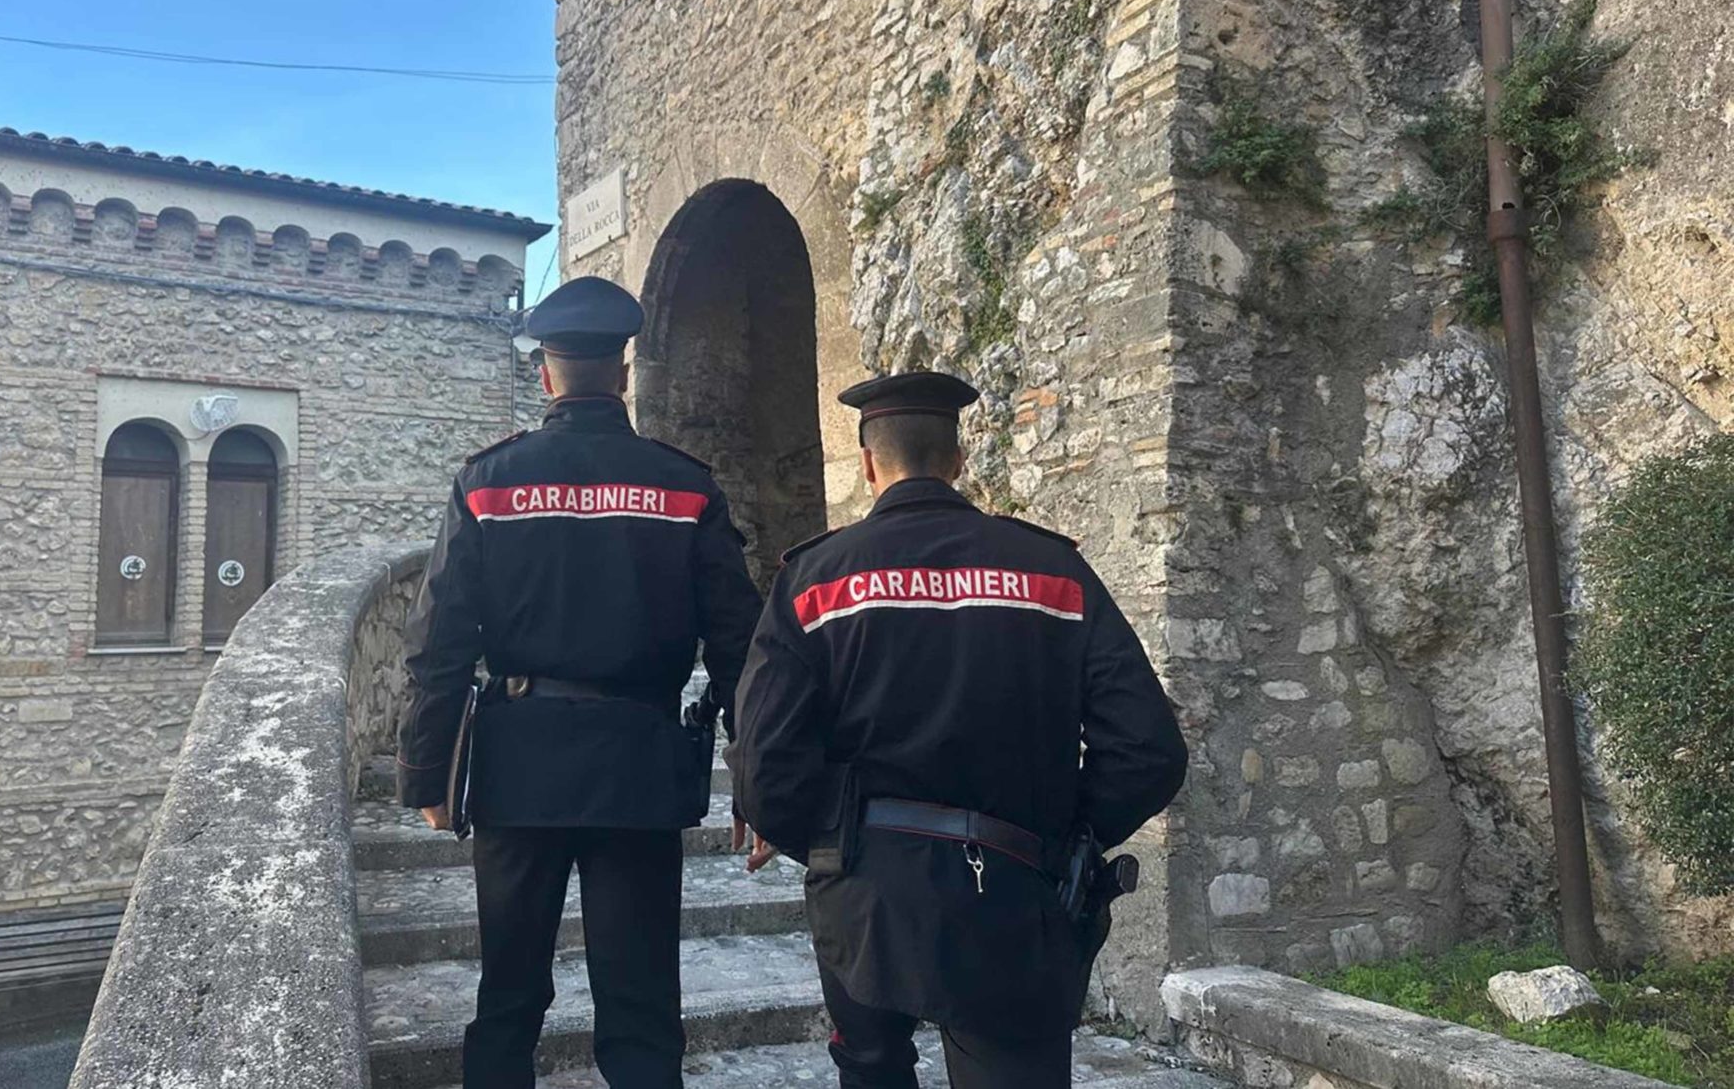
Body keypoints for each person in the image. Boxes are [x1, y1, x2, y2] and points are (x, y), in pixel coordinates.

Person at [728, 371, 1188, 1089]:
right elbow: (1149, 750)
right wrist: (1064, 836)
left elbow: (764, 766)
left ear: (868, 463)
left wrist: (832, 844)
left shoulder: (814, 580)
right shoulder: (1054, 573)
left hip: (866, 896)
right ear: (959, 459)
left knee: (871, 1071)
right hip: (1014, 888)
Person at [396, 275, 763, 1089]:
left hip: (518, 767)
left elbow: (438, 641)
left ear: (545, 376)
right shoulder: (685, 486)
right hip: (639, 767)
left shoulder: (488, 482)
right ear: (624, 373)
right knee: (641, 1011)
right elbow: (741, 646)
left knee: (508, 998)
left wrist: (426, 771)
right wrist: (760, 777)